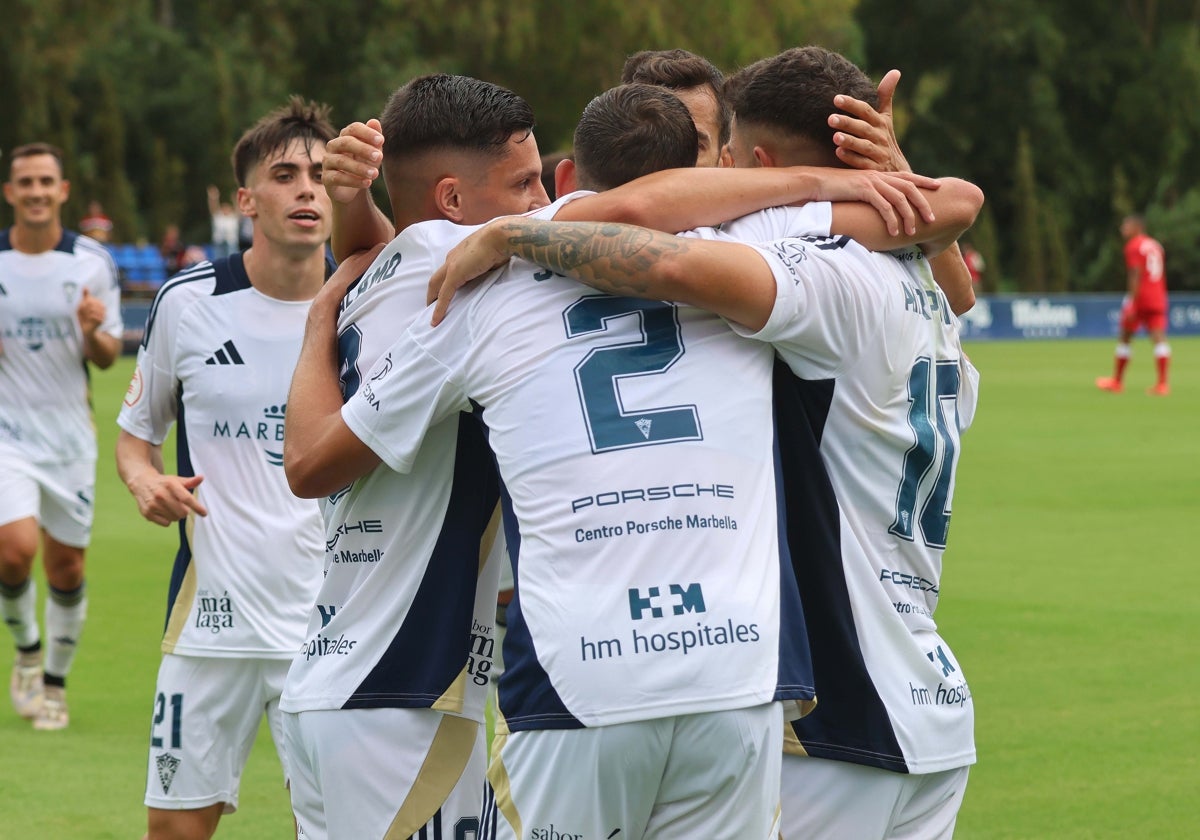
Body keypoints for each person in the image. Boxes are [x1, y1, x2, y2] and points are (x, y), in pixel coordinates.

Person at [289, 78, 979, 840]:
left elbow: (315, 456)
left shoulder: (481, 281)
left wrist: (329, 292)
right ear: (703, 172)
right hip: (739, 673)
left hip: (575, 677)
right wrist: (851, 178)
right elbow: (952, 206)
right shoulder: (751, 244)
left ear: (570, 176)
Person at [115, 97, 335, 839]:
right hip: (212, 627)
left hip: (332, 627)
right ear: (247, 200)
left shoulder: (369, 303)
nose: (306, 189)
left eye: (319, 174)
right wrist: (146, 481)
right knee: (174, 831)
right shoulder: (190, 301)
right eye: (284, 175)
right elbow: (134, 437)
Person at [0, 142, 123, 731]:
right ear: (10, 193)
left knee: (66, 568)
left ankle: (53, 682)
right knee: (14, 548)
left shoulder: (91, 263)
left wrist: (94, 331)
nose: (36, 192)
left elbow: (105, 358)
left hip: (71, 438)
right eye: (25, 182)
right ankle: (26, 650)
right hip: (8, 436)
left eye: (46, 181)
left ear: (62, 190)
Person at [1096, 214, 1170, 395]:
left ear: (1137, 227)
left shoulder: (1134, 246)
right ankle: (1162, 384)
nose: (1122, 229)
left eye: (1126, 225)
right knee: (1158, 338)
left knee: (1125, 336)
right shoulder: (1155, 245)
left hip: (1141, 297)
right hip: (1158, 296)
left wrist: (1131, 301)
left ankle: (1117, 381)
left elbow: (1135, 274)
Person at [206, 185, 241, 259]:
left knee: (232, 260)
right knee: (218, 259)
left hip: (231, 243)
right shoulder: (218, 217)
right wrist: (213, 197)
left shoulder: (233, 217)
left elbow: (239, 208)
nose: (225, 208)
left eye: (227, 207)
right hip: (219, 242)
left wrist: (236, 200)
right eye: (223, 207)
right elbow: (213, 206)